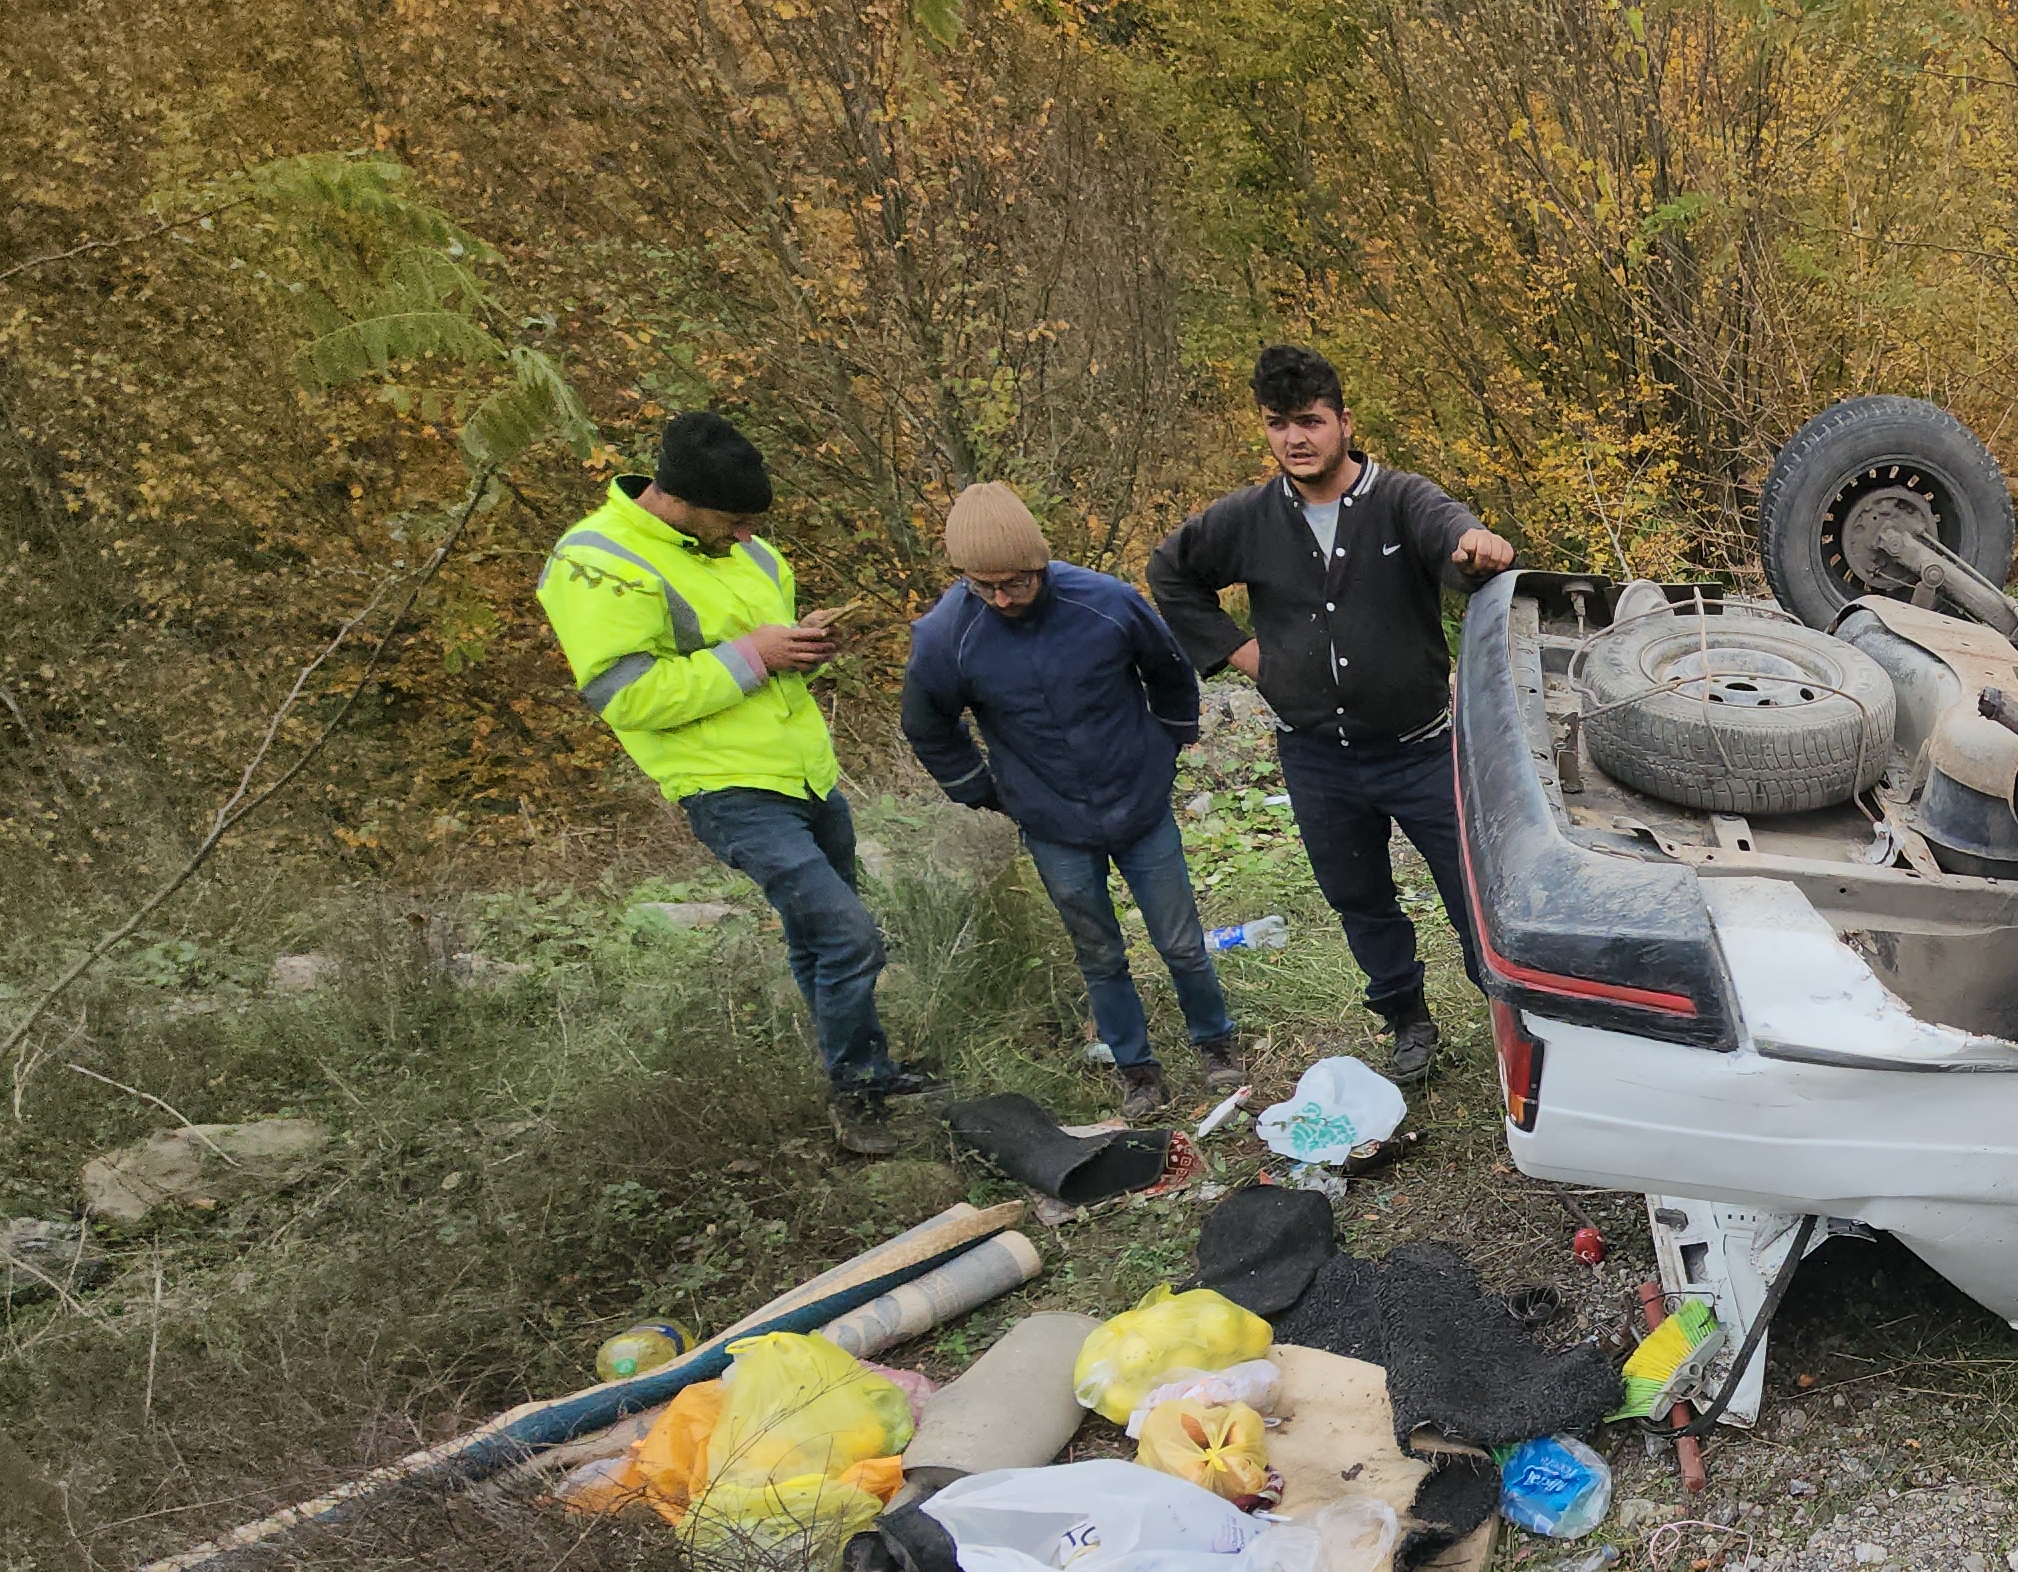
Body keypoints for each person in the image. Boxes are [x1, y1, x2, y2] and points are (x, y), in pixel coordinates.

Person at [536, 410, 931, 1155]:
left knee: (817, 938)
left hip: (805, 773)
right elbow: (628, 697)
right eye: (737, 520)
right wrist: (754, 654)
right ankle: (856, 1097)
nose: (749, 535)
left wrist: (799, 646)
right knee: (849, 935)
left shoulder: (746, 552)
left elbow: (762, 658)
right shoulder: (596, 559)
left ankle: (868, 1071)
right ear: (679, 499)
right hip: (724, 787)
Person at [1147, 346, 1514, 1081]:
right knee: (1360, 899)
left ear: (1344, 421)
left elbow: (1452, 535)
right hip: (1316, 759)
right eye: (1278, 424)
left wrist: (1475, 549)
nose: (1295, 439)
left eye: (1310, 421)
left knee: (1475, 893)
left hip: (1420, 750)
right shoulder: (1249, 519)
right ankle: (1407, 1020)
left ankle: (1513, 1020)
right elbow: (1170, 573)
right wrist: (1246, 658)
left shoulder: (1398, 500)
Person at [902, 482, 1242, 1118]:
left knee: (1181, 940)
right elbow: (928, 726)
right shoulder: (947, 635)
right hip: (1050, 817)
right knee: (1098, 952)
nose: (1001, 598)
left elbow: (1169, 672)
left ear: (1039, 565)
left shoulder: (1105, 601)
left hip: (1137, 803)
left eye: (1013, 583)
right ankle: (1137, 1068)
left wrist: (1169, 744)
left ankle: (1215, 1043)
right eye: (984, 586)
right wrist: (981, 790)